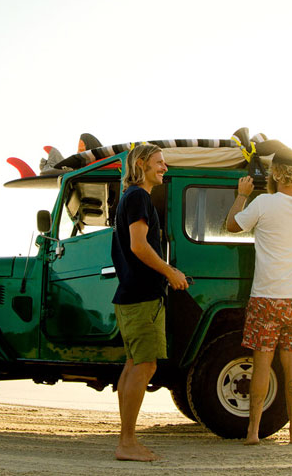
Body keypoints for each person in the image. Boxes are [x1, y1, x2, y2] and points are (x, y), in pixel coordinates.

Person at [225, 147, 292, 445]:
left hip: (267, 296)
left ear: (275, 174)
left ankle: (253, 432)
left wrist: (241, 195)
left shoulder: (264, 203)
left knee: (262, 362)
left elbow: (231, 226)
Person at [111, 144, 189, 461]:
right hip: (142, 296)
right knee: (145, 365)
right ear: (141, 164)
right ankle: (127, 443)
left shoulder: (130, 196)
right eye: (159, 162)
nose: (164, 167)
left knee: (134, 365)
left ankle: (127, 440)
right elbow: (139, 246)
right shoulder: (139, 197)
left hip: (131, 295)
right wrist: (170, 272)